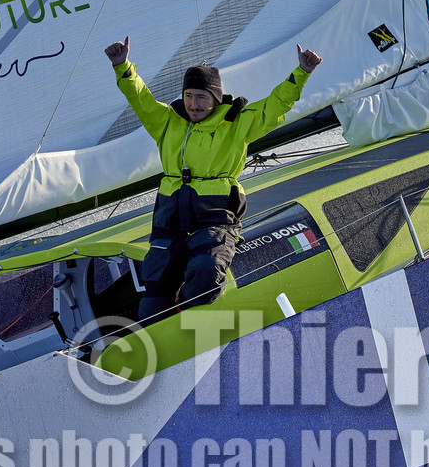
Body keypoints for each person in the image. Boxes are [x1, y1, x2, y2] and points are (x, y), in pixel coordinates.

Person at [104, 36, 321, 321]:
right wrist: (122, 66)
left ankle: (190, 317)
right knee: (155, 280)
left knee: (207, 269)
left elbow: (274, 106)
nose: (193, 104)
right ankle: (153, 333)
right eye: (189, 96)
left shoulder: (237, 122)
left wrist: (301, 74)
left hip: (215, 214)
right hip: (170, 214)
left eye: (202, 97)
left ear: (215, 99)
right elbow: (140, 98)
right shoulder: (167, 120)